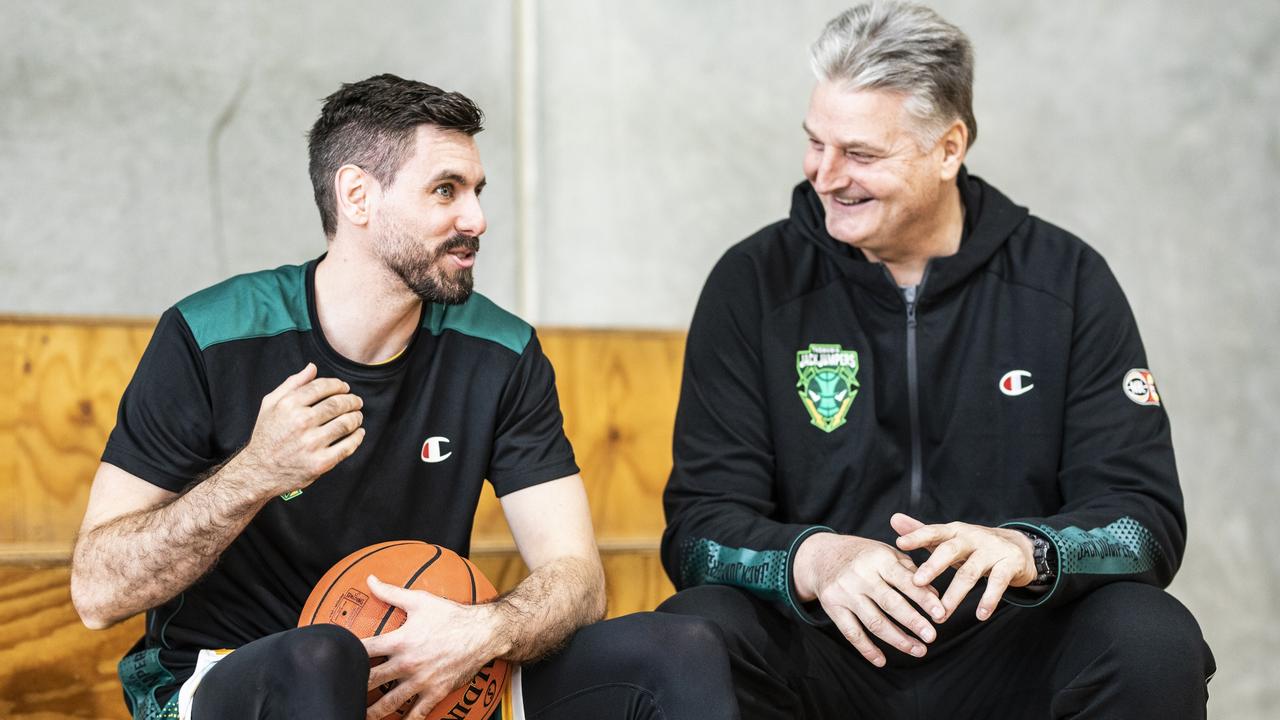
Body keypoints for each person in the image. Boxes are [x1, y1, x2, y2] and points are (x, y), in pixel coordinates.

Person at [71, 74, 737, 720]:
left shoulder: (502, 353)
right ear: (357, 197)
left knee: (679, 649)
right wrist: (254, 473)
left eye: (477, 190)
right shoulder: (209, 335)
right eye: (446, 190)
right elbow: (98, 593)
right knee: (322, 659)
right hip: (231, 670)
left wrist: (484, 631)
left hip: (431, 676)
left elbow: (578, 580)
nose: (476, 217)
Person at [656, 3, 1215, 718]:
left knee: (1151, 637)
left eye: (859, 154)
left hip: (1010, 644)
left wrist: (1028, 549)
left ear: (949, 148)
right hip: (826, 649)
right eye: (814, 143)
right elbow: (699, 530)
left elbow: (1144, 521)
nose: (825, 176)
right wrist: (815, 560)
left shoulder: (1067, 282)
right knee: (689, 632)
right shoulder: (753, 282)